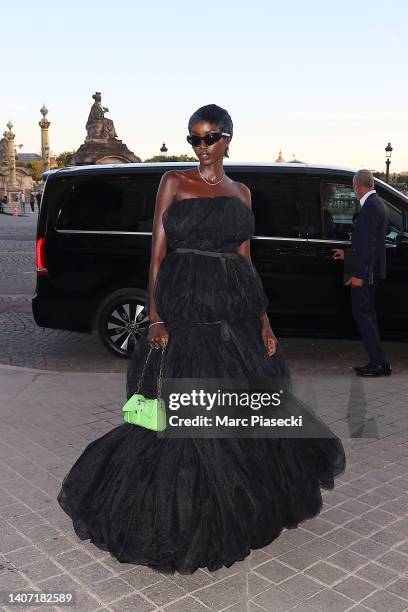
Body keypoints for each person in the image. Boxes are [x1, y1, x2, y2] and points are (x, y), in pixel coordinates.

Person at [57, 104, 346, 575]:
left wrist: (264, 322)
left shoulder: (242, 192)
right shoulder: (173, 182)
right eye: (193, 139)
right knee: (185, 415)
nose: (201, 147)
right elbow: (157, 255)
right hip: (185, 310)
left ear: (228, 138)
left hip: (234, 309)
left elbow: (245, 260)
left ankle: (240, 501)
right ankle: (182, 513)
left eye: (209, 137)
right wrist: (156, 317)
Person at [332, 169, 390, 377]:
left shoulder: (370, 207)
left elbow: (369, 247)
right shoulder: (376, 204)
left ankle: (379, 364)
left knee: (363, 316)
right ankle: (378, 361)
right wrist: (347, 255)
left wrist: (359, 275)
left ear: (357, 186)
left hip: (365, 275)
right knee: (368, 316)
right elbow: (366, 244)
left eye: (353, 187)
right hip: (369, 272)